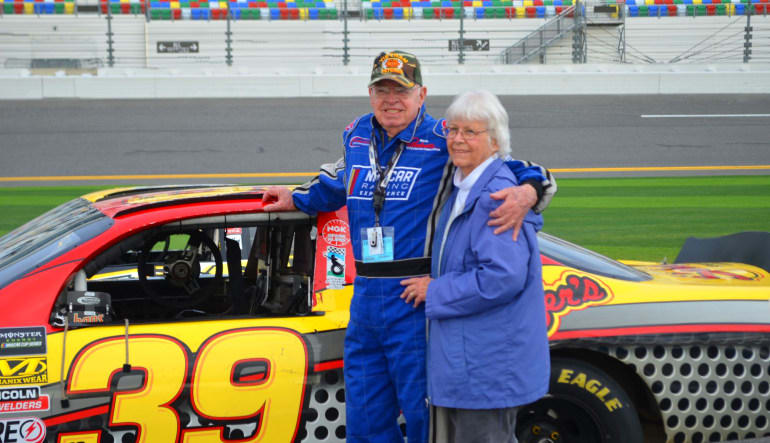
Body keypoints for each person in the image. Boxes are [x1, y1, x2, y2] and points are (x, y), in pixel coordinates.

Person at [262, 50, 555, 443]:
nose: (391, 100)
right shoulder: (356, 134)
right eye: (382, 90)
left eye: (401, 90)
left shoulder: (444, 138)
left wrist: (531, 191)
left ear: (421, 94)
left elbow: (504, 164)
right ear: (370, 94)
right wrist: (296, 198)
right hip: (364, 296)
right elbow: (337, 183)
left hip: (414, 296)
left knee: (423, 417)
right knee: (365, 418)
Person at [401, 90, 550, 443]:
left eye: (470, 132)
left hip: (487, 366)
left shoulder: (496, 196)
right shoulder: (462, 187)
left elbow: (502, 277)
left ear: (495, 141)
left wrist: (435, 290)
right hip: (471, 361)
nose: (457, 139)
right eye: (453, 130)